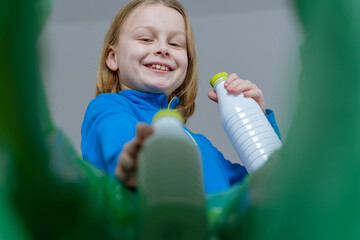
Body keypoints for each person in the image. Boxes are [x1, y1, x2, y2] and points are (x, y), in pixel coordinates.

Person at [81, 0, 281, 194]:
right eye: (145, 39)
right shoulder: (108, 106)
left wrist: (261, 122)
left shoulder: (203, 147)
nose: (163, 49)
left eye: (175, 43)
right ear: (113, 57)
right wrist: (133, 162)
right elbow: (116, 137)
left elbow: (271, 187)